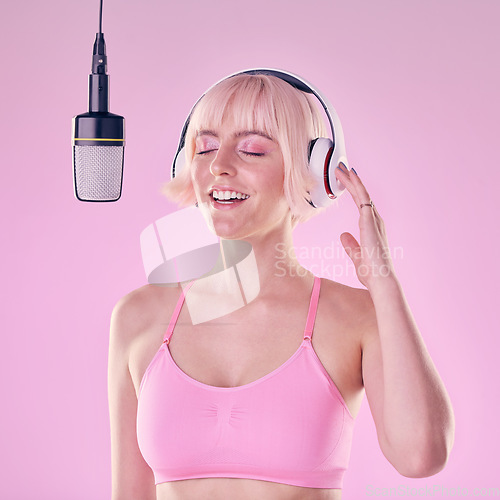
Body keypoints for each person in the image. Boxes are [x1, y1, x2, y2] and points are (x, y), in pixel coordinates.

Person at [108, 71, 455, 500]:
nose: (220, 165)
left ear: (313, 171)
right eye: (207, 147)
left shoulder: (355, 317)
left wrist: (384, 285)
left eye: (252, 149)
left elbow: (420, 456)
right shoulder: (138, 316)